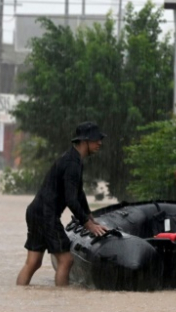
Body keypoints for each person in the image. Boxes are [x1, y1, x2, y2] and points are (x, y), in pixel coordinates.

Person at [16, 122, 109, 287]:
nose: (99, 143)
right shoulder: (72, 163)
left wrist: (88, 215)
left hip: (36, 211)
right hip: (46, 214)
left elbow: (78, 193)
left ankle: (19, 296)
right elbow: (71, 199)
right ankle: (62, 301)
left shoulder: (73, 159)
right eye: (96, 139)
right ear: (84, 141)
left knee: (33, 262)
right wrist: (88, 225)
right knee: (66, 260)